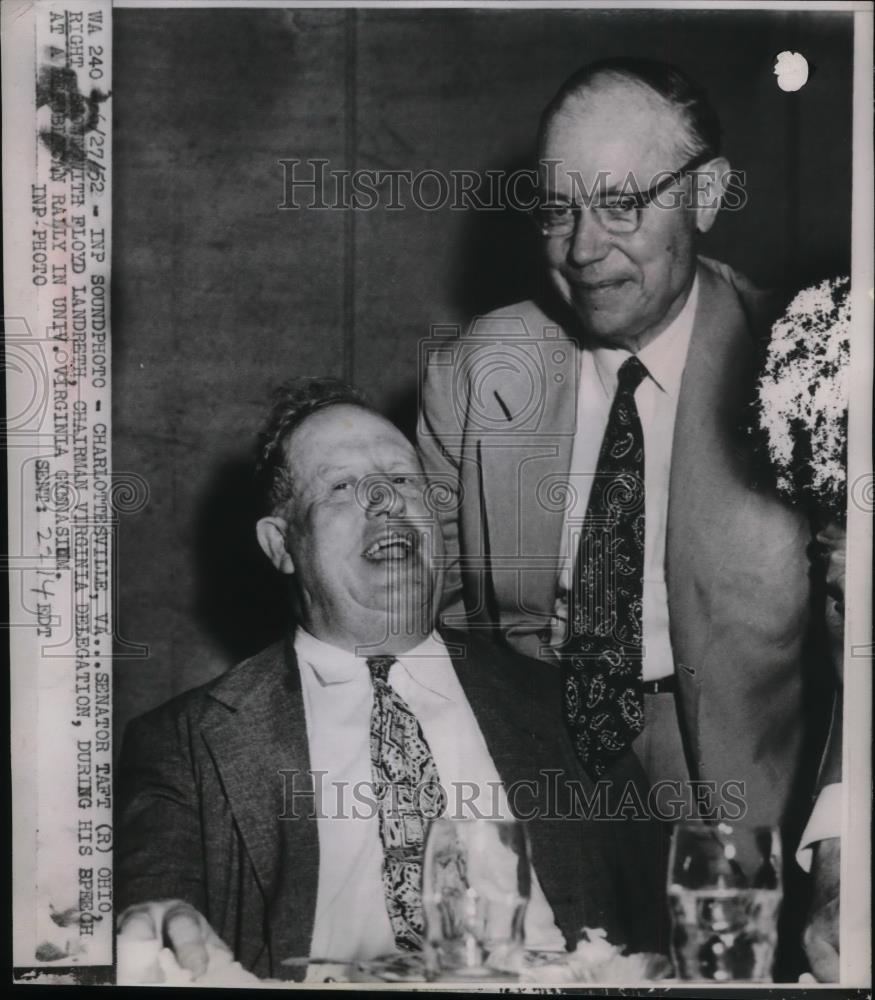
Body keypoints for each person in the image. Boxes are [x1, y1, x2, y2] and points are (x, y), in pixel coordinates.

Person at [418, 59, 841, 978]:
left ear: (708, 195)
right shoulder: (475, 374)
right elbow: (430, 622)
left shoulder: (805, 376)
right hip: (537, 784)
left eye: (621, 205)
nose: (581, 248)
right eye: (557, 208)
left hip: (742, 798)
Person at [116, 378, 662, 982]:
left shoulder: (566, 706)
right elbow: (156, 906)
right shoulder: (183, 745)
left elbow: (659, 924)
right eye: (342, 486)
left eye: (404, 479)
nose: (384, 500)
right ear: (281, 545)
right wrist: (150, 925)